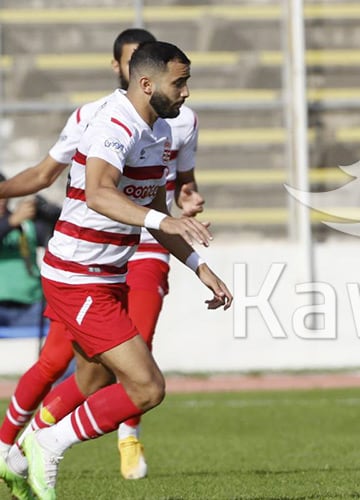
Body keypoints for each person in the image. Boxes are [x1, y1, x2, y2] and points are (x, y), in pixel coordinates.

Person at [3, 40, 230, 500]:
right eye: (179, 82)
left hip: (106, 277)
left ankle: (18, 451)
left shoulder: (160, 133)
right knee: (146, 387)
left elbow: (161, 209)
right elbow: (99, 193)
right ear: (146, 84)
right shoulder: (112, 124)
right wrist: (162, 219)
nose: (186, 92)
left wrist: (198, 265)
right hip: (77, 277)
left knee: (91, 378)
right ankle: (44, 444)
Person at [0, 182, 59, 328]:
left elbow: (59, 241)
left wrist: (51, 214)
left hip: (32, 306)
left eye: (3, 195)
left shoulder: (26, 224)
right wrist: (11, 221)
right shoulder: (15, 220)